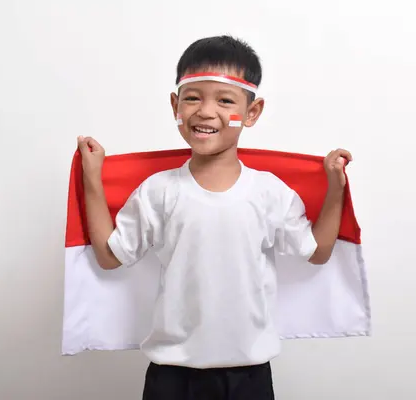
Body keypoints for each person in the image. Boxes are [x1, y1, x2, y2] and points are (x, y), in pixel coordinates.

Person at [76, 35, 352, 400]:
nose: (206, 112)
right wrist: (92, 179)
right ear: (175, 104)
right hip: (171, 377)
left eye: (225, 100)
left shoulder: (269, 192)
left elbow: (317, 250)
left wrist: (335, 189)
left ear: (252, 112)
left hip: (248, 377)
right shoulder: (158, 191)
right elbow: (110, 256)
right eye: (193, 97)